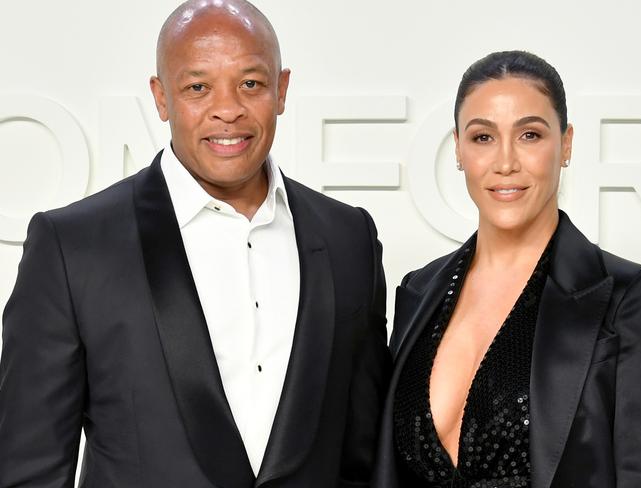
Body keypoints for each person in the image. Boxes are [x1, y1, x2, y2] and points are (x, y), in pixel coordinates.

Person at [0, 1, 391, 486]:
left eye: (250, 83)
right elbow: (29, 469)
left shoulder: (348, 238)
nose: (228, 110)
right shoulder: (71, 246)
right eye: (198, 87)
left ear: (282, 89)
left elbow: (364, 456)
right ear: (161, 98)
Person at [374, 51, 641, 488]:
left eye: (529, 135)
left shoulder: (629, 298)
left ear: (567, 144)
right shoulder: (417, 290)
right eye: (483, 137)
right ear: (460, 149)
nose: (505, 162)